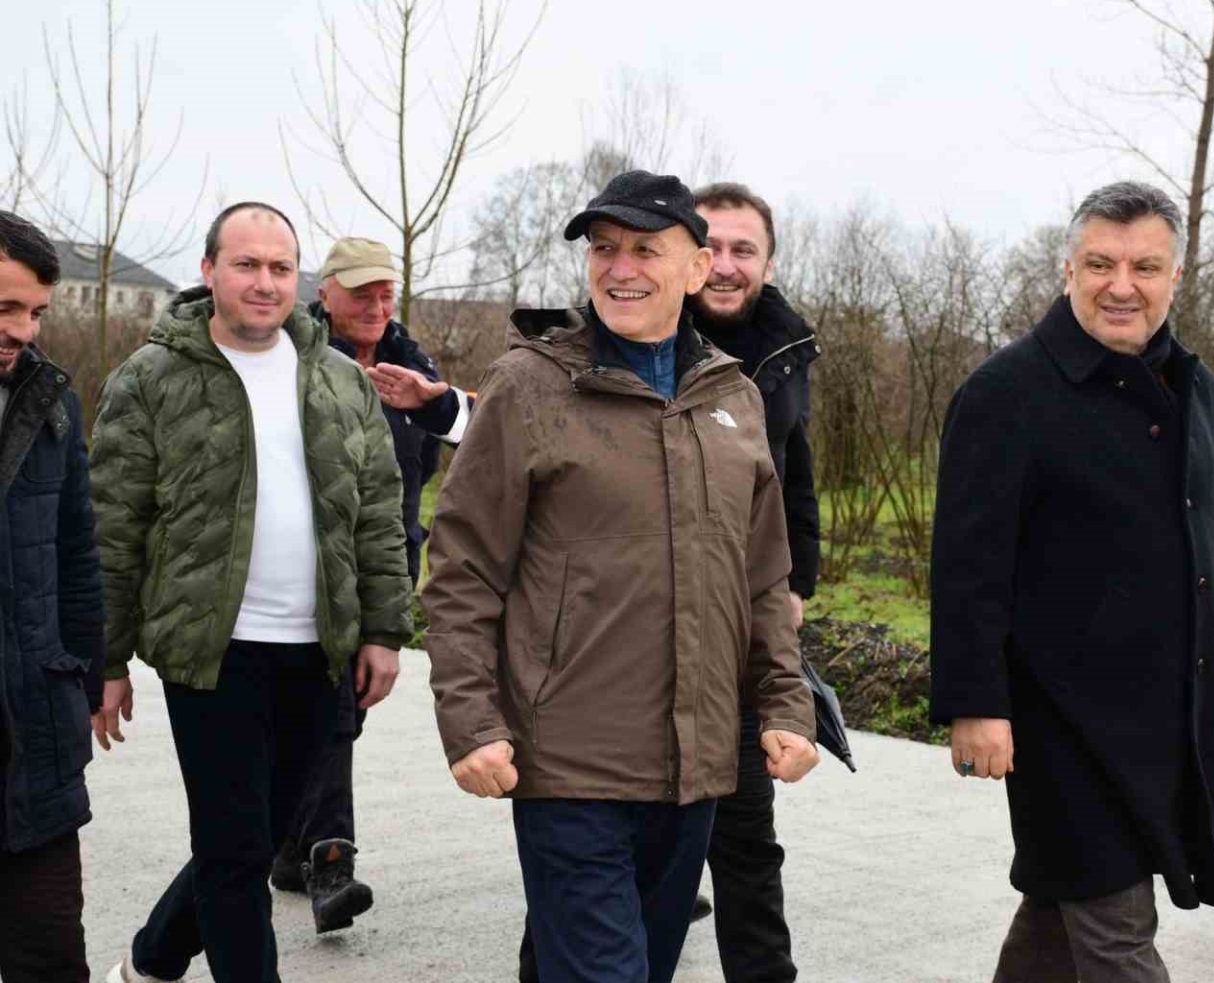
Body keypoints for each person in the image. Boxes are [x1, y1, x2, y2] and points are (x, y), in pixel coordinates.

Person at [423, 169, 819, 983]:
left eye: (645, 249)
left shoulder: (734, 399)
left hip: (697, 769)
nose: (620, 267)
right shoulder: (528, 387)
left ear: (696, 268)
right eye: (604, 249)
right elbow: (463, 567)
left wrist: (786, 702)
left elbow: (762, 579)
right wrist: (470, 719)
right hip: (570, 766)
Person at [928, 181, 1214, 983]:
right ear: (1068, 268)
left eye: (1145, 266)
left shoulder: (1196, 388)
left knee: (1060, 911)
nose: (1122, 285)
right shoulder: (1006, 393)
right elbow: (968, 565)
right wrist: (976, 703)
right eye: (1101, 263)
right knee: (1115, 927)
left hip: (1170, 716)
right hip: (1060, 724)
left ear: (1175, 277)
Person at [92, 202, 414, 983]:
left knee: (258, 834)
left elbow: (378, 512)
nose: (264, 282)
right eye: (246, 264)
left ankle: (153, 957)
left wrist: (383, 629)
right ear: (209, 271)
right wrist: (105, 658)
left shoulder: (339, 379)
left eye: (279, 267)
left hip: (319, 648)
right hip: (211, 650)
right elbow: (111, 526)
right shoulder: (151, 378)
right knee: (236, 853)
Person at [268, 237, 470, 933]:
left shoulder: (411, 365)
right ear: (324, 292)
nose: (377, 306)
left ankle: (288, 847)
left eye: (386, 293)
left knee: (344, 709)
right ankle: (331, 861)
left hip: (387, 559)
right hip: (307, 565)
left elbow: (446, 449)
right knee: (331, 705)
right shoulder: (288, 359)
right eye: (361, 293)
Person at [689, 181, 820, 981]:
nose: (727, 264)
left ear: (768, 263)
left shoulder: (785, 349)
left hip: (740, 634)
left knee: (746, 842)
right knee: (616, 850)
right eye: (711, 246)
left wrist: (795, 585)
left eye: (746, 249)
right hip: (636, 638)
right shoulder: (644, 334)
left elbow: (795, 474)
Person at [0, 212, 107, 983]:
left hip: (34, 744)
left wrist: (87, 677)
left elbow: (77, 557)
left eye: (35, 311)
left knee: (50, 958)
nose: (23, 331)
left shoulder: (52, 404)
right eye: (5, 307)